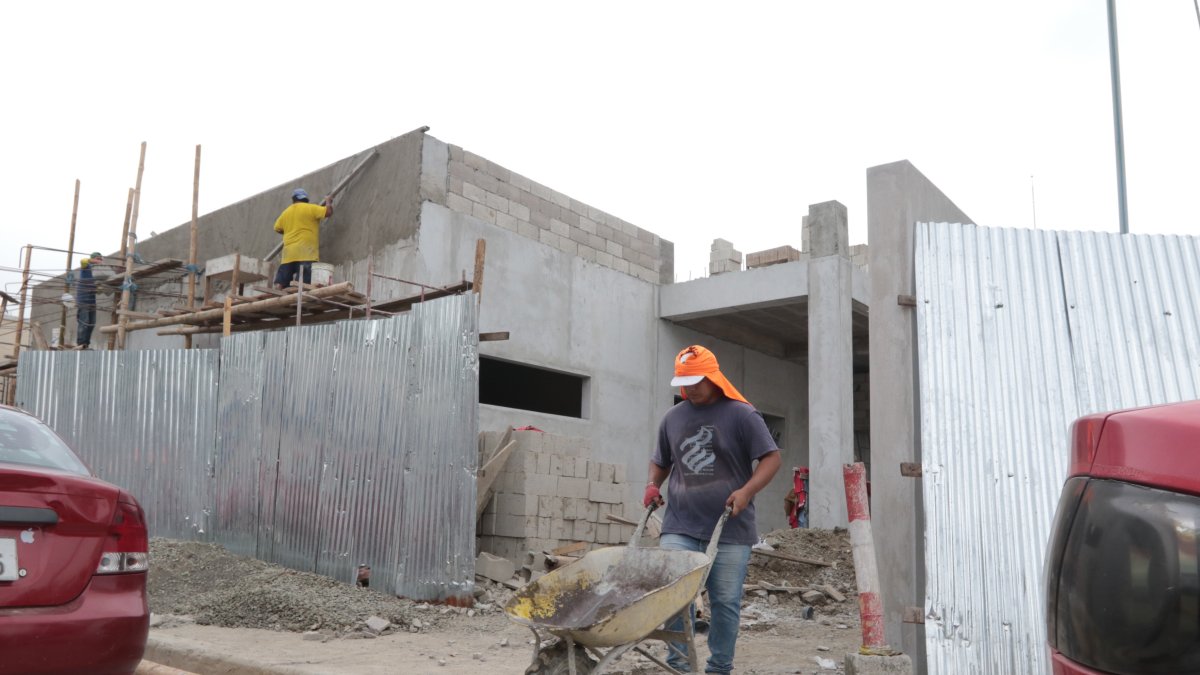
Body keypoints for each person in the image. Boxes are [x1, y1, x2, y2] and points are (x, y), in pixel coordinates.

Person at [645, 344, 782, 674]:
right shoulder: (673, 417)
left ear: (713, 377)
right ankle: (679, 666)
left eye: (696, 381)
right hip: (680, 524)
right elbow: (660, 460)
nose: (689, 388)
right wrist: (652, 484)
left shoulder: (741, 414)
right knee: (673, 597)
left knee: (724, 603)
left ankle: (719, 668)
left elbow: (771, 458)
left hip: (730, 528)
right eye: (684, 381)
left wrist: (747, 491)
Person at [273, 188, 332, 289]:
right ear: (306, 199)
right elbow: (328, 212)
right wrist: (328, 201)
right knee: (303, 284)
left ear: (293, 199)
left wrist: (288, 231)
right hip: (306, 252)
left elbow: (277, 228)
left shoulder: (286, 213)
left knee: (282, 282)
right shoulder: (311, 208)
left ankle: (277, 295)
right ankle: (299, 299)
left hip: (289, 253)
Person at [74, 257, 96, 349]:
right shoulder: (86, 266)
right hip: (83, 300)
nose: (100, 261)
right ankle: (81, 342)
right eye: (98, 259)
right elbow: (82, 260)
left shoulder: (98, 273)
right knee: (84, 322)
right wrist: (92, 261)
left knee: (92, 323)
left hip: (92, 301)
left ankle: (86, 343)